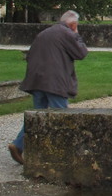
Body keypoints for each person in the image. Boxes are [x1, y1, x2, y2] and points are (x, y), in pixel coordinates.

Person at [11, 10, 88, 164]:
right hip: (54, 82)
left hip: (37, 80)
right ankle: (66, 153)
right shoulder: (67, 33)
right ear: (73, 24)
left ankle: (18, 145)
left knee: (37, 116)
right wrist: (76, 33)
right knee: (62, 116)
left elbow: (30, 55)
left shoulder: (45, 32)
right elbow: (81, 53)